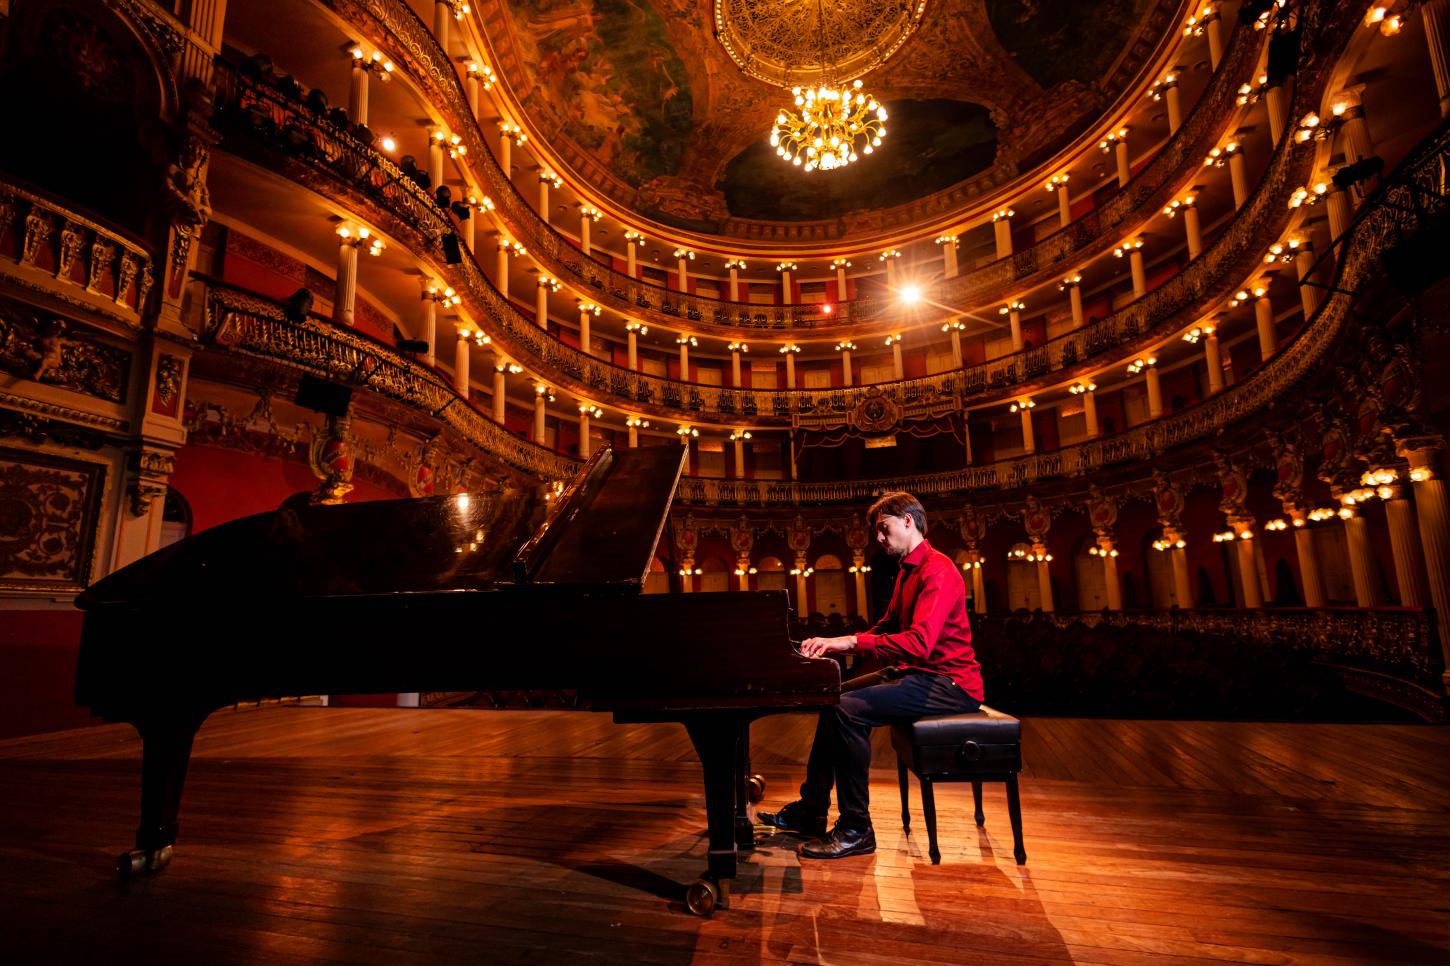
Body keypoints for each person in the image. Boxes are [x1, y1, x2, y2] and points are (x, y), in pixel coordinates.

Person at [758, 491, 983, 859]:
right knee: (834, 697)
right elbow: (885, 629)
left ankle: (856, 829)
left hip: (950, 683)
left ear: (908, 521)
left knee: (847, 709)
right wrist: (834, 644)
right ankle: (811, 810)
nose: (878, 538)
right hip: (920, 674)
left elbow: (920, 643)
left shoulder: (938, 570)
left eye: (883, 528)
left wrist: (847, 642)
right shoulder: (908, 571)